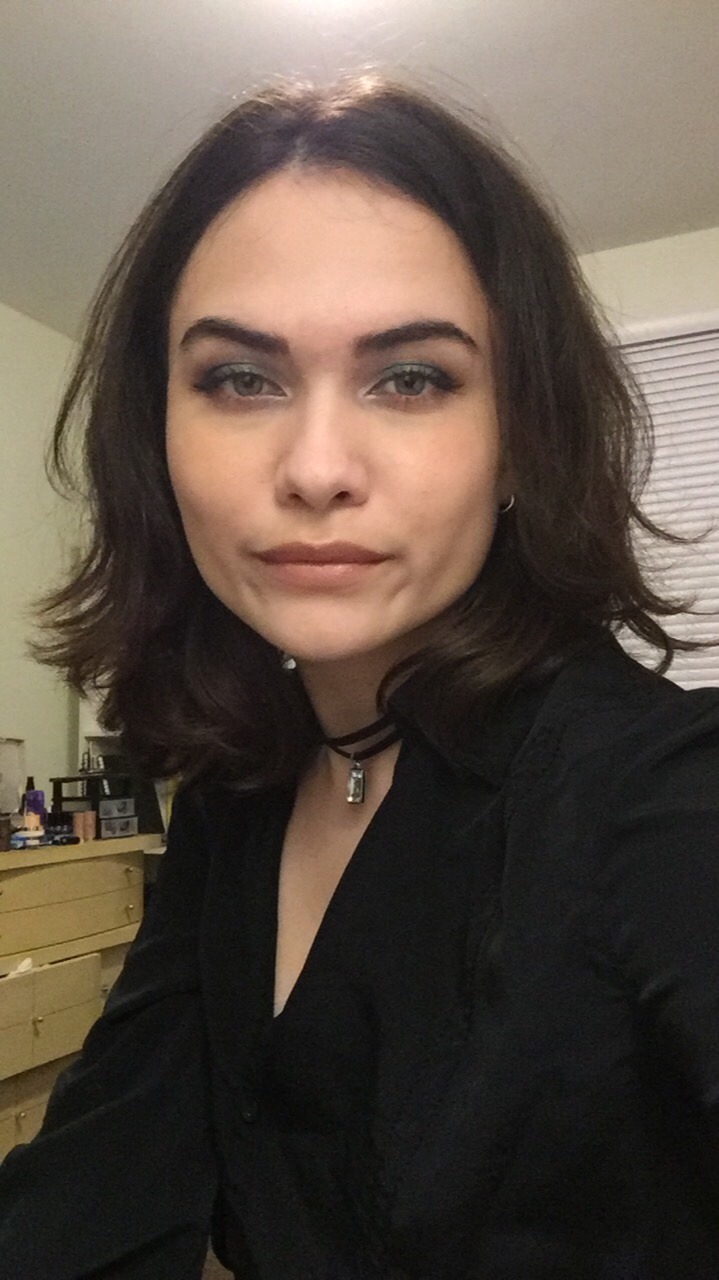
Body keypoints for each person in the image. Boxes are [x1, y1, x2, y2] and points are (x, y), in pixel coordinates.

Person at [1, 70, 718, 1280]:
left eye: (411, 377)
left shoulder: (658, 796)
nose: (316, 466)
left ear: (517, 438)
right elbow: (101, 1178)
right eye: (241, 378)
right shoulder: (237, 790)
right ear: (156, 438)